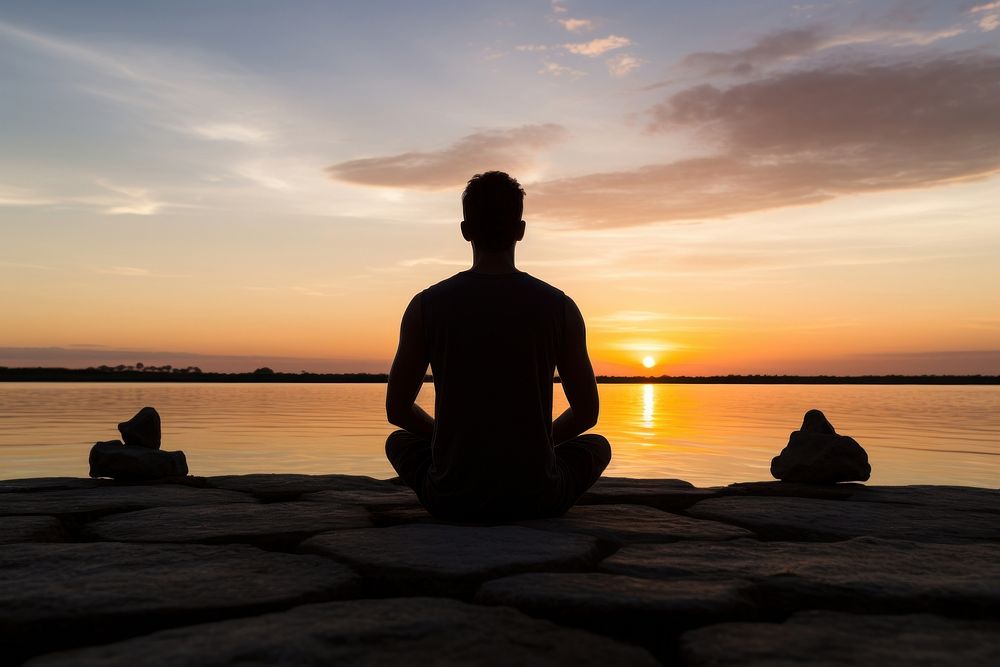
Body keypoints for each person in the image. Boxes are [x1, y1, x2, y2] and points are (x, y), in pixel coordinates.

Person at [384, 171, 611, 521]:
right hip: (537, 495)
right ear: (520, 230)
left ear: (465, 230)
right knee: (597, 447)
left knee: (398, 442)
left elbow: (398, 411)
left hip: (451, 496)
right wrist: (539, 441)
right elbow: (586, 414)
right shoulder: (560, 307)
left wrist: (443, 440)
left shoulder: (425, 306)